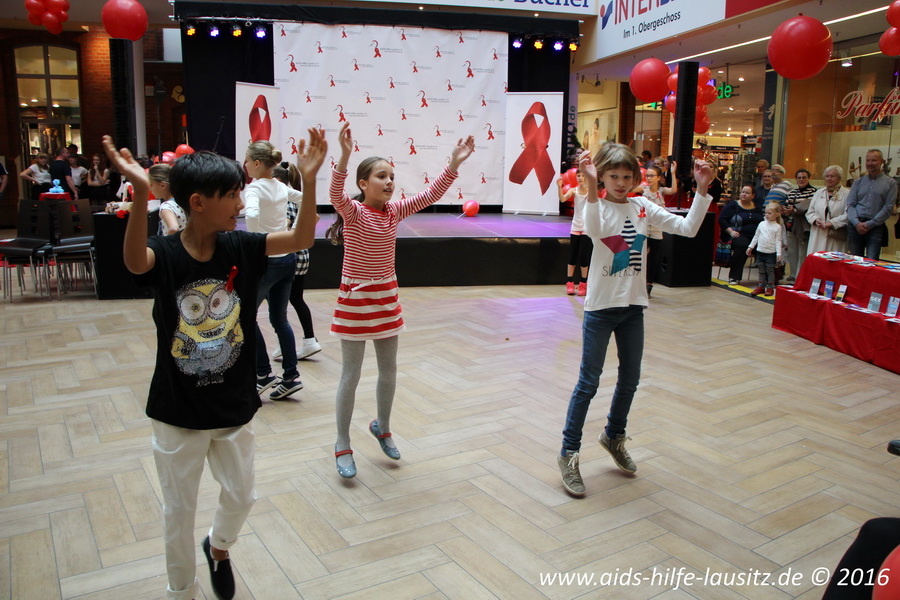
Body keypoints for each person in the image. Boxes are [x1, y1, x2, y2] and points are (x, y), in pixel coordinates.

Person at [104, 127, 323, 600]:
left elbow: (303, 236)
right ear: (199, 202)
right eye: (232, 195)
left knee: (242, 495)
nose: (241, 202)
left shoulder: (242, 246)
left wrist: (308, 181)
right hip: (177, 409)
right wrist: (140, 192)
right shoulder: (165, 253)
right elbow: (135, 262)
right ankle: (180, 591)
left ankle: (219, 545)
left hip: (232, 403)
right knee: (178, 513)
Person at [557, 144, 714, 497]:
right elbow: (594, 230)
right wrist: (592, 185)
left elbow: (688, 228)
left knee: (630, 380)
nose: (620, 182)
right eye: (613, 176)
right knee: (588, 383)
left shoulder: (642, 206)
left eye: (627, 176)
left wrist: (702, 189)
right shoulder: (594, 205)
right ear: (602, 175)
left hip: (632, 309)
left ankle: (614, 436)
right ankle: (568, 452)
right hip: (600, 310)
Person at [327, 121, 475, 479]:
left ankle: (383, 426)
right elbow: (335, 193)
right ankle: (342, 441)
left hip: (386, 300)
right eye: (382, 176)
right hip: (354, 302)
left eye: (392, 176)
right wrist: (344, 156)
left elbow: (430, 195)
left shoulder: (394, 212)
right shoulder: (353, 212)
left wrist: (454, 163)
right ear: (364, 184)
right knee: (351, 374)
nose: (390, 181)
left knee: (389, 370)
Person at [243, 140, 307, 401]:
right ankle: (290, 377)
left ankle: (264, 375)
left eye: (248, 161)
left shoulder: (254, 188)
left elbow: (251, 216)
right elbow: (306, 199)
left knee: (246, 316)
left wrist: (255, 244)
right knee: (280, 319)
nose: (246, 165)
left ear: (257, 163)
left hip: (266, 261)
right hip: (287, 259)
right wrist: (293, 230)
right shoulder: (280, 186)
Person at [273, 161, 322, 362]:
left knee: (278, 302)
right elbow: (315, 218)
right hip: (302, 254)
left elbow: (284, 225)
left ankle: (286, 343)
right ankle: (307, 340)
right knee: (295, 299)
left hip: (287, 255)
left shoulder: (282, 199)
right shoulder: (297, 198)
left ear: (277, 180)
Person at [846, 149, 897, 260]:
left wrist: (870, 224)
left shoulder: (890, 183)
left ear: (882, 162)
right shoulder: (858, 182)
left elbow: (888, 207)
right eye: (868, 160)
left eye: (874, 160)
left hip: (875, 228)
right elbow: (850, 204)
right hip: (855, 227)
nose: (870, 163)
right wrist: (856, 223)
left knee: (871, 262)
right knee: (854, 262)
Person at [638, 162, 678, 296]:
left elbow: (673, 190)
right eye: (647, 175)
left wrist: (673, 173)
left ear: (659, 177)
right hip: (643, 227)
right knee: (641, 256)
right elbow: (630, 188)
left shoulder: (661, 191)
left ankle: (649, 284)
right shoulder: (644, 189)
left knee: (654, 257)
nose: (649, 178)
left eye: (652, 175)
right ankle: (638, 283)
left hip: (656, 228)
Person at [718, 185, 764, 285]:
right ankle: (734, 276)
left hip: (755, 236)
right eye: (742, 192)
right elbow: (722, 220)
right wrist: (731, 231)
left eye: (747, 193)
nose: (744, 194)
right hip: (736, 235)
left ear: (753, 196)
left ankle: (769, 278)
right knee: (743, 245)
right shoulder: (733, 206)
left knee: (768, 245)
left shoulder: (757, 207)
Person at [558, 170, 592, 296]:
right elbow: (563, 199)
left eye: (583, 176)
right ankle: (570, 282)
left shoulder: (591, 192)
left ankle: (583, 283)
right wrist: (559, 187)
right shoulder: (574, 190)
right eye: (578, 176)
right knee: (572, 255)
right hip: (576, 226)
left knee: (584, 256)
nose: (580, 178)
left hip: (587, 227)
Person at [806, 165, 849, 255]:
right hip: (818, 233)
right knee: (817, 258)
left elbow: (848, 214)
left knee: (833, 259)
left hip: (835, 234)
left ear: (839, 178)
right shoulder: (819, 192)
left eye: (832, 176)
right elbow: (810, 212)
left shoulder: (846, 194)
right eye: (827, 176)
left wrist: (831, 223)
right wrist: (816, 220)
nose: (829, 179)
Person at [783, 169, 816, 280]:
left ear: (809, 178)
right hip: (791, 225)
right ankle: (793, 275)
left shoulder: (814, 192)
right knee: (792, 251)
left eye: (804, 177)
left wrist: (795, 209)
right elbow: (788, 205)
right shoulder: (792, 192)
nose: (801, 180)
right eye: (799, 178)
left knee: (803, 252)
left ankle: (800, 276)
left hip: (804, 226)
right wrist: (791, 209)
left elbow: (808, 207)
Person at [747, 202, 784, 297]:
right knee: (761, 270)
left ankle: (770, 287)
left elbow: (778, 240)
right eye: (766, 213)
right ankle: (761, 286)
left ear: (776, 214)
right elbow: (756, 236)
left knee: (770, 270)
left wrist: (779, 253)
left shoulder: (777, 227)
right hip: (760, 251)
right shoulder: (761, 224)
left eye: (769, 213)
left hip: (770, 253)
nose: (767, 215)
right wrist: (751, 247)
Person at [148, 164, 187, 236]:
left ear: (163, 185)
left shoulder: (166, 206)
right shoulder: (181, 200)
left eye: (151, 185)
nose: (150, 189)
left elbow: (173, 228)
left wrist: (166, 241)